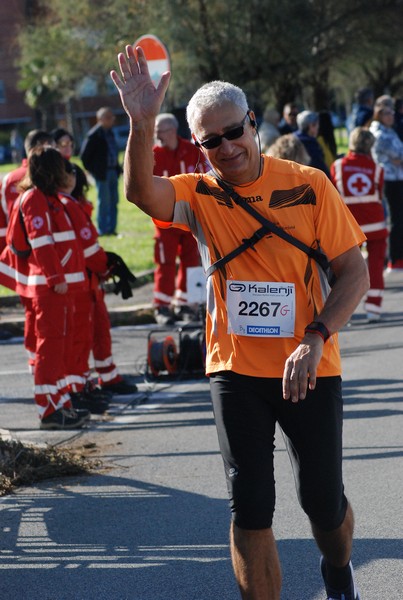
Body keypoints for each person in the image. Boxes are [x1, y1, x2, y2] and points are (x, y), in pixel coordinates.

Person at [111, 45, 369, 599]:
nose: (226, 148)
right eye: (210, 141)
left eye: (233, 132)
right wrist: (139, 123)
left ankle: (337, 569)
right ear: (198, 145)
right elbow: (140, 193)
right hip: (234, 368)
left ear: (252, 122)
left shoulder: (308, 183)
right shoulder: (198, 194)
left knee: (323, 501)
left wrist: (315, 337)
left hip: (310, 363)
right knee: (250, 502)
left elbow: (354, 274)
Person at [0, 147, 91, 430]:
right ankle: (49, 409)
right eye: (62, 168)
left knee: (57, 347)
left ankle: (60, 402)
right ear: (52, 170)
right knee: (49, 348)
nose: (67, 173)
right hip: (49, 288)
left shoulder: (48, 198)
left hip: (53, 288)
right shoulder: (34, 199)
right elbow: (41, 243)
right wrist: (55, 278)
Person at [152, 112, 209, 324]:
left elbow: (205, 177)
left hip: (189, 215)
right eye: (156, 132)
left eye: (161, 131)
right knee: (164, 261)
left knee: (191, 260)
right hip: (164, 217)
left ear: (173, 130)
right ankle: (162, 306)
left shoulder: (192, 150)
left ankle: (187, 304)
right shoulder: (154, 153)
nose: (158, 136)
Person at [331, 128, 388, 322]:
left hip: (349, 226)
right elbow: (379, 195)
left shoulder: (337, 166)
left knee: (344, 269)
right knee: (376, 265)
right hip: (375, 225)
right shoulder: (378, 169)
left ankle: (343, 311)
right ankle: (373, 308)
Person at [369, 100, 403, 270]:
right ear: (379, 115)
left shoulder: (389, 131)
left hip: (397, 177)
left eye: (392, 112)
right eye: (387, 113)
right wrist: (398, 160)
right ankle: (394, 257)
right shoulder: (380, 133)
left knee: (398, 217)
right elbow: (398, 154)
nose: (392, 116)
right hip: (389, 179)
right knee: (395, 219)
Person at [80, 107, 122, 236]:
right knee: (103, 201)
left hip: (113, 172)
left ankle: (112, 229)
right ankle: (103, 230)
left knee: (114, 200)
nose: (111, 120)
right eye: (108, 117)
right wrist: (94, 171)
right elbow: (84, 156)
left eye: (112, 117)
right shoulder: (94, 135)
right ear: (100, 119)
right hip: (102, 174)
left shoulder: (110, 132)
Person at [295, 110, 330, 176]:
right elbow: (320, 167)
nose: (318, 128)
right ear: (311, 126)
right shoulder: (311, 144)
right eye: (317, 124)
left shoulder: (292, 139)